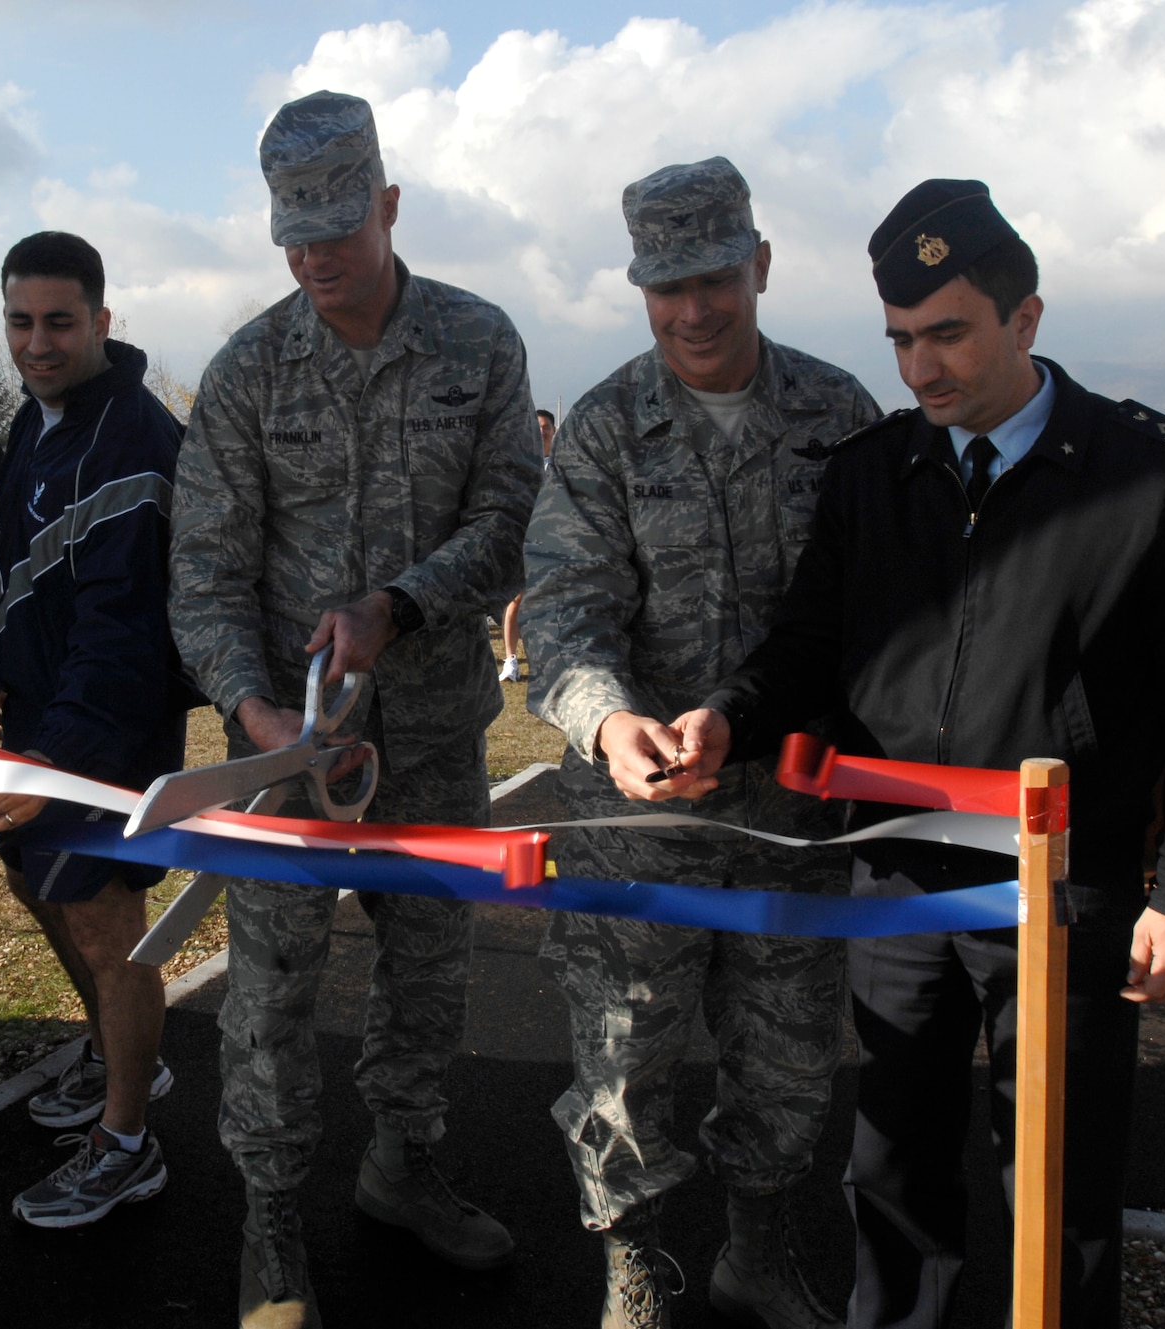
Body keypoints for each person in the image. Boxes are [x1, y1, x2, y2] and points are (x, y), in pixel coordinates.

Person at [644, 179, 1165, 1329]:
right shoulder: (873, 475)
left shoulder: (1153, 482)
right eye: (898, 342)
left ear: (1023, 320)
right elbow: (809, 646)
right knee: (889, 1172)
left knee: (1059, 1178)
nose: (920, 371)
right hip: (896, 875)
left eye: (946, 335)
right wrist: (729, 717)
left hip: (1060, 889)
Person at [169, 89, 541, 1327]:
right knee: (270, 993)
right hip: (285, 756)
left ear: (387, 205)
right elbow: (206, 577)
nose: (317, 255)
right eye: (294, 233)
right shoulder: (246, 370)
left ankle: (399, 1168)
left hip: (431, 738)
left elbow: (507, 523)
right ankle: (270, 1229)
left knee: (429, 971)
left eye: (337, 225)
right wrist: (255, 708)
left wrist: (402, 602)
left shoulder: (478, 345)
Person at [521, 156, 880, 1329]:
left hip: (789, 819)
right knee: (623, 1067)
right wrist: (604, 719)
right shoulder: (604, 427)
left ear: (758, 265)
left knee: (785, 1057)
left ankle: (756, 1251)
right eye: (663, 285)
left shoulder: (839, 417)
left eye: (714, 277)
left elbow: (871, 613)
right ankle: (634, 1267)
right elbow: (566, 609)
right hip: (639, 824)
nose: (691, 309)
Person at [0, 230, 199, 1228]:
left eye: (60, 322)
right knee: (36, 891)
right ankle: (116, 1061)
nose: (37, 342)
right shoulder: (34, 419)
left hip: (101, 737)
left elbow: (123, 635)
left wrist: (52, 758)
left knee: (106, 926)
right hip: (32, 723)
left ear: (104, 320)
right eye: (20, 321)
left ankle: (127, 1139)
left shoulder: (136, 438)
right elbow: (13, 567)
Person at [497, 407, 559, 683]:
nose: (541, 431)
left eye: (546, 427)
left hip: (556, 542)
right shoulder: (520, 464)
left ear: (554, 431)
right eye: (537, 427)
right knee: (516, 599)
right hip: (525, 539)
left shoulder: (565, 464)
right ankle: (511, 661)